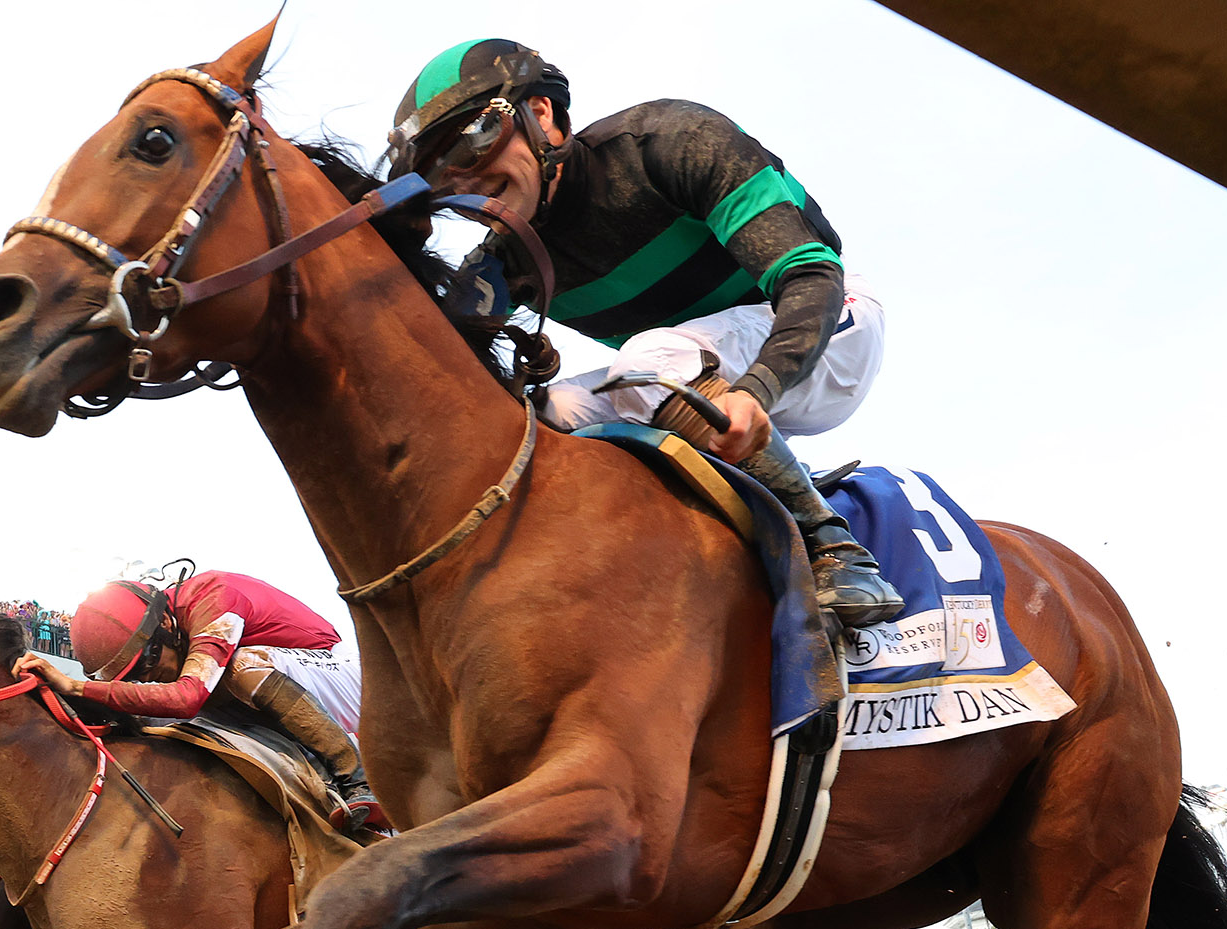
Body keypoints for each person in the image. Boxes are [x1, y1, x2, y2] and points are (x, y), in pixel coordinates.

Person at [385, 38, 900, 628]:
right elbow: (433, 380)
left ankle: (832, 546)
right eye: (436, 174)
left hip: (830, 324)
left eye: (474, 139)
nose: (464, 180)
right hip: (693, 377)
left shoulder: (669, 142)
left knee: (651, 360)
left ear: (542, 114)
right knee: (545, 416)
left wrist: (755, 390)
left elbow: (809, 274)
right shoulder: (503, 266)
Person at [15, 569, 384, 830]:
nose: (146, 678)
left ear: (167, 626)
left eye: (146, 662)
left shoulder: (216, 598)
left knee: (238, 667)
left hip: (346, 676)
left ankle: (357, 778)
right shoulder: (169, 632)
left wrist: (77, 688)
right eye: (131, 677)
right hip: (293, 685)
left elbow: (187, 698)